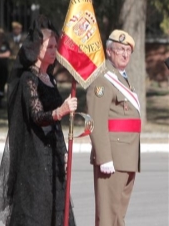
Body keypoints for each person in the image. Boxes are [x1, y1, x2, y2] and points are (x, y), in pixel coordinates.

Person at [0, 15, 77, 226]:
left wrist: (63, 153)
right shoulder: (28, 79)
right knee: (36, 209)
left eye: (56, 46)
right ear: (36, 49)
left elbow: (55, 127)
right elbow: (37, 116)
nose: (54, 51)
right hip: (34, 154)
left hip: (53, 153)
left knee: (56, 207)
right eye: (49, 47)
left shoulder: (51, 78)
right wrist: (61, 110)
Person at [86, 29, 141, 226]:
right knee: (108, 216)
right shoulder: (103, 79)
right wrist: (104, 157)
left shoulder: (122, 78)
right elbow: (96, 120)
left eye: (128, 50)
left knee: (118, 216)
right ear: (109, 52)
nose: (125, 54)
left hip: (127, 157)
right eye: (120, 49)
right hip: (113, 159)